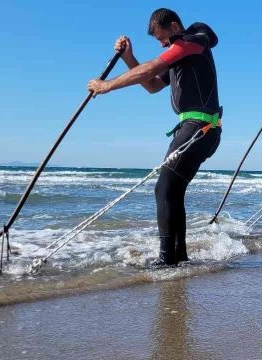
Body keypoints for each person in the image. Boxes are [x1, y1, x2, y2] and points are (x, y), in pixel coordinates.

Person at [87, 8, 222, 267]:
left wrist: (106, 86)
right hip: (197, 128)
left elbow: (150, 68)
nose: (162, 44)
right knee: (173, 190)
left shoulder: (194, 40)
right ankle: (178, 257)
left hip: (199, 127)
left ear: (174, 26)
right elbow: (151, 84)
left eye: (163, 38)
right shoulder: (180, 54)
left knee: (163, 189)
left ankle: (166, 260)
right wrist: (129, 57)